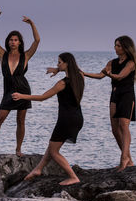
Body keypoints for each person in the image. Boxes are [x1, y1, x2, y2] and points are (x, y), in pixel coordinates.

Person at [12, 52, 84, 185]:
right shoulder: (80, 77)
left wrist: (23, 96)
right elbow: (75, 69)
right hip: (77, 118)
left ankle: (73, 176)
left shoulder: (62, 83)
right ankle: (38, 169)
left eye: (59, 62)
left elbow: (42, 97)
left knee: (54, 151)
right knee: (52, 145)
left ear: (67, 64)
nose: (57, 65)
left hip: (66, 119)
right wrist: (59, 69)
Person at [0, 7, 40, 158]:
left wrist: (32, 24)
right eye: (11, 40)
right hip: (8, 91)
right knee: (0, 118)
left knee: (21, 120)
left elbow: (37, 40)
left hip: (23, 91)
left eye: (16, 40)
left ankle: (18, 149)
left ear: (20, 42)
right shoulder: (2, 54)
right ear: (8, 42)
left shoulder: (26, 55)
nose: (13, 42)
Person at [83, 36, 136, 172]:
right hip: (115, 95)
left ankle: (124, 158)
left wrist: (109, 74)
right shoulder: (112, 62)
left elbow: (120, 76)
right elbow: (100, 75)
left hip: (127, 95)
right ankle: (128, 159)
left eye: (118, 46)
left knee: (123, 125)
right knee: (115, 129)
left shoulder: (131, 63)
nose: (115, 48)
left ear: (125, 47)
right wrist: (83, 73)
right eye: (115, 45)